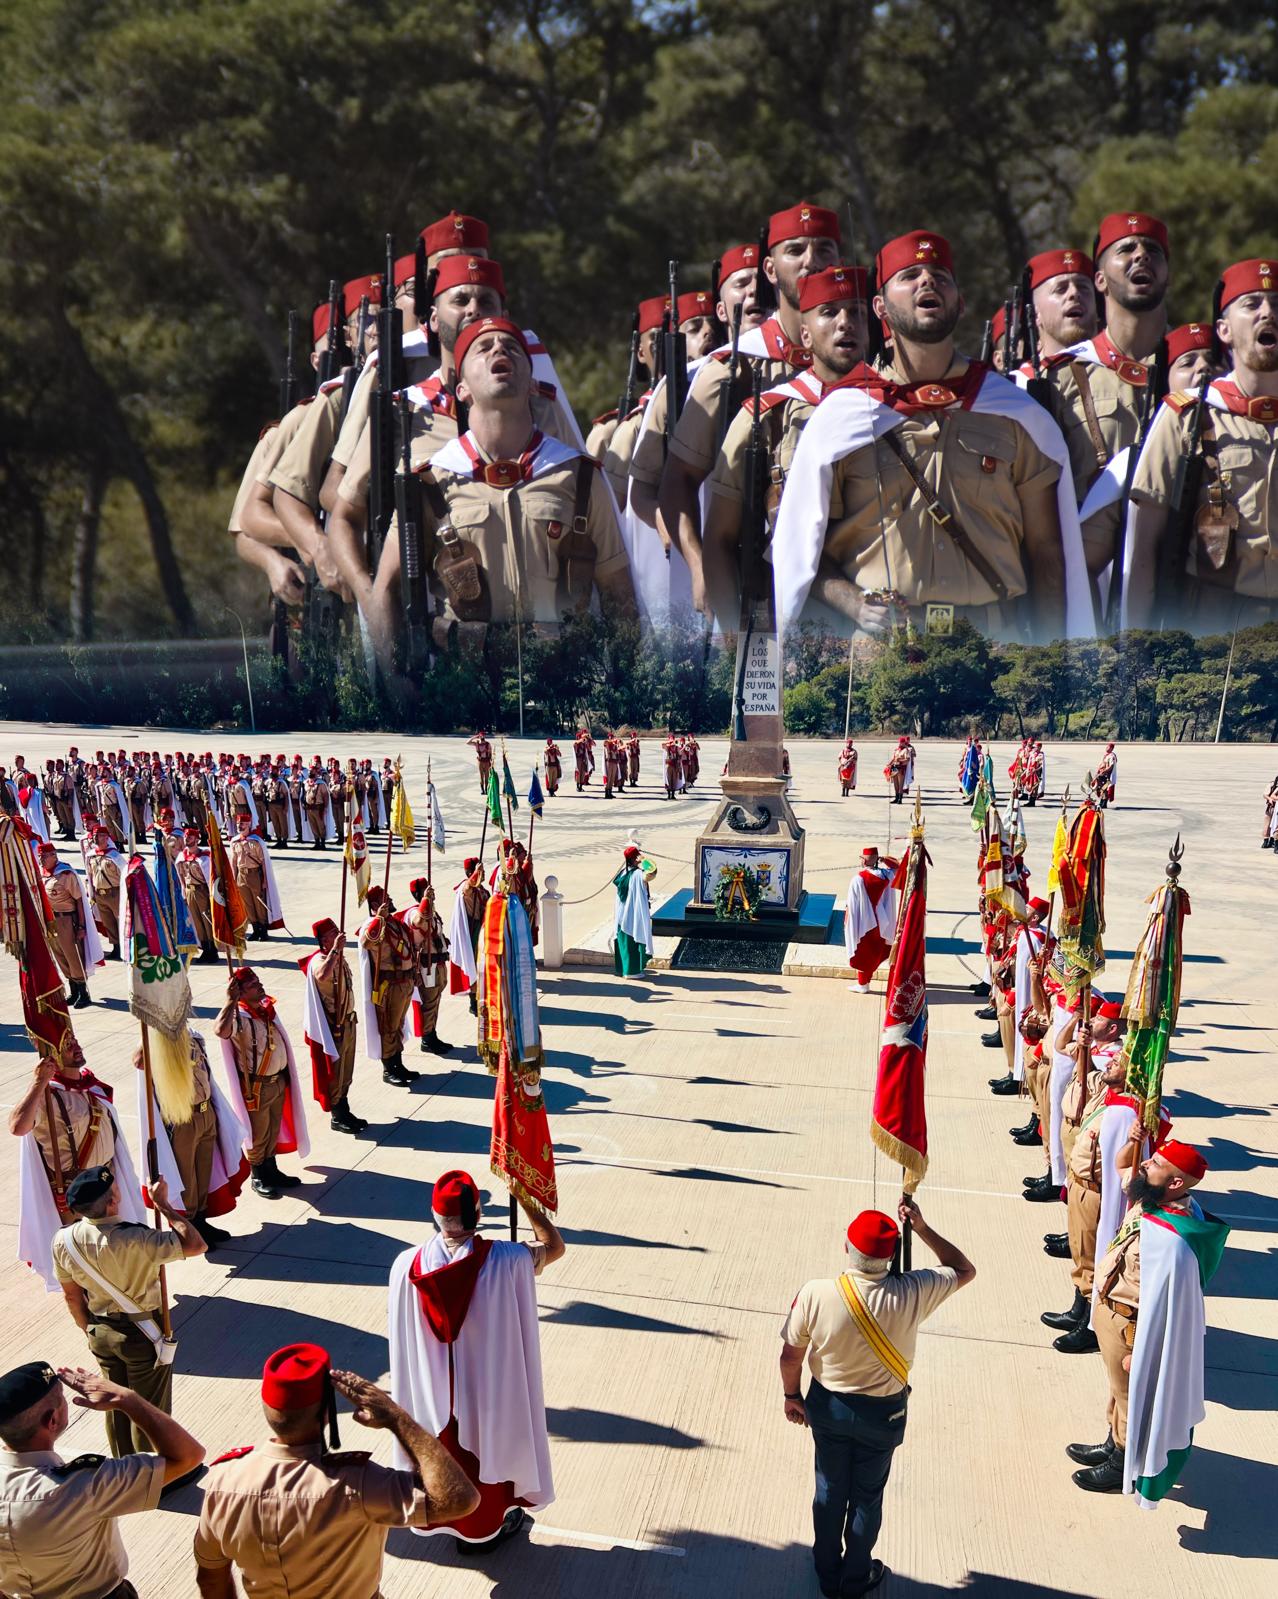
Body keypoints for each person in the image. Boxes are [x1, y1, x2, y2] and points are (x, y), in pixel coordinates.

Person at [773, 229, 1089, 643]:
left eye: (940, 276)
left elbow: (1047, 552)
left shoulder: (1015, 413)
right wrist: (850, 601)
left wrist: (1053, 659)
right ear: (880, 307)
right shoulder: (841, 417)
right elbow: (799, 550)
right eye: (910, 276)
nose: (927, 281)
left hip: (996, 648)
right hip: (884, 650)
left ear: (960, 302)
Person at [780, 1203, 975, 1598]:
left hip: (829, 1409)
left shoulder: (815, 1293)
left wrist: (792, 1395)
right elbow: (963, 1269)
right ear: (890, 1255)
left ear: (846, 1248)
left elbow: (790, 1357)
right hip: (883, 1416)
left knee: (829, 1490)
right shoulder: (914, 1290)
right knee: (867, 1499)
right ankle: (856, 1579)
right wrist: (921, 1227)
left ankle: (826, 1571)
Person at [193, 1344, 479, 1598]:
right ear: (327, 1412)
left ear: (266, 1406)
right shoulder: (358, 1485)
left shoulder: (222, 1482)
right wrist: (396, 1418)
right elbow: (460, 1499)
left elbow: (210, 1578)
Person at [388, 1170, 563, 1548]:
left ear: (435, 1215)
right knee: (489, 1457)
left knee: (446, 1457)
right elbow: (554, 1246)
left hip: (433, 1398)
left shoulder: (405, 1265)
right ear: (479, 1214)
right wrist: (524, 1197)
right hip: (488, 1396)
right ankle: (486, 1532)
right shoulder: (508, 1259)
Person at [703, 262, 870, 629]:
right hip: (798, 632)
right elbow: (719, 539)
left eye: (857, 312)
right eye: (829, 312)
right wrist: (733, 640)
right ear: (805, 335)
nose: (846, 323)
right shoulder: (768, 416)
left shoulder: (896, 411)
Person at [1126, 259, 1278, 632]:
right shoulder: (1188, 415)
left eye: (1277, 303)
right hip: (1214, 629)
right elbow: (1144, 548)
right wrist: (1135, 648)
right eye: (1252, 304)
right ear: (1224, 330)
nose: (1268, 313)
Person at [1070, 1140, 1228, 1495]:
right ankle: (1112, 1442)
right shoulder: (1151, 1197)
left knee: (1130, 1398)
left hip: (1130, 1327)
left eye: (1154, 1163)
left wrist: (1140, 1349)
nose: (1144, 1165)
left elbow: (1168, 1306)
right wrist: (1133, 1138)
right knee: (1116, 1391)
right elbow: (1121, 1167)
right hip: (1111, 1312)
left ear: (1176, 1183)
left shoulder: (1174, 1240)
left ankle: (1121, 1464)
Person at [0, 1361, 205, 1599]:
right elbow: (188, 1456)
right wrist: (126, 1399)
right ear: (52, 1421)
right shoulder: (86, 1486)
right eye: (62, 1399)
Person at [1045, 211, 1170, 581]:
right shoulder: (1061, 378)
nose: (1141, 255)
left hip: (1179, 580)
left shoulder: (1196, 372)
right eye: (1126, 249)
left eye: (1153, 251)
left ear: (1167, 273)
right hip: (1089, 578)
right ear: (1099, 279)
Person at [51, 1166, 205, 1456]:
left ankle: (123, 1466)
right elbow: (196, 1245)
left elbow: (72, 1297)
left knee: (115, 1405)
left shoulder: (63, 1240)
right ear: (112, 1202)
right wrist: (163, 1205)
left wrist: (90, 1330)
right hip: (141, 1333)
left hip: (100, 1330)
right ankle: (151, 1472)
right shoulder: (137, 1237)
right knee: (148, 1411)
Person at [135, 1026, 247, 1251]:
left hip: (206, 1112)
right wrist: (154, 1025)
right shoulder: (159, 1041)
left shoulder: (193, 1036)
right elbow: (138, 1061)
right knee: (187, 1179)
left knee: (204, 1173)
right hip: (182, 1119)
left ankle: (201, 1222)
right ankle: (190, 1229)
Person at [214, 967, 310, 1200]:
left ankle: (271, 1171)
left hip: (278, 1081)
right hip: (257, 1088)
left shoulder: (265, 1009)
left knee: (273, 1130)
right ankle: (258, 1176)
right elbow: (220, 1031)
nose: (260, 986)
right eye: (252, 985)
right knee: (258, 1134)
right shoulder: (238, 1016)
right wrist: (230, 1001)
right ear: (240, 993)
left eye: (258, 981)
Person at [299, 917, 366, 1136]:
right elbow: (322, 975)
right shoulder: (319, 960)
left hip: (348, 1021)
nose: (339, 935)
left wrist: (337, 951)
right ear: (323, 940)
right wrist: (335, 951)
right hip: (334, 1026)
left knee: (347, 1071)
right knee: (336, 1073)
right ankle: (338, 1116)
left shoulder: (337, 956)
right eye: (333, 933)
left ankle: (345, 1109)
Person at [357, 886, 421, 1089]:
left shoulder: (395, 923)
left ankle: (398, 1064)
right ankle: (388, 1069)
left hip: (404, 982)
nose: (391, 899)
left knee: (398, 1026)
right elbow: (367, 942)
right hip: (389, 986)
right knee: (388, 1028)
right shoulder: (372, 925)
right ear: (376, 904)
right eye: (386, 898)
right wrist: (379, 919)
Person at [37, 841, 98, 1009]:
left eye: (43, 857)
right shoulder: (42, 874)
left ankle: (84, 993)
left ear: (53, 856)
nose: (41, 860)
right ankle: (74, 990)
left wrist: (81, 926)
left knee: (73, 956)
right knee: (60, 955)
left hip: (67, 920)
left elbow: (79, 900)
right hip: (51, 920)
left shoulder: (65, 874)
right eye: (39, 856)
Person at [844, 846, 898, 993]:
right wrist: (884, 859)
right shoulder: (886, 875)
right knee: (874, 952)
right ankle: (865, 983)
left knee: (863, 952)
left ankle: (863, 985)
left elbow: (852, 904)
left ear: (864, 860)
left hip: (865, 921)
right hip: (881, 919)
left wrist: (848, 920)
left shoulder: (859, 879)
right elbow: (897, 867)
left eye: (862, 858)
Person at [229, 813, 281, 941]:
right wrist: (233, 879)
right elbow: (234, 862)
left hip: (254, 874)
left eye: (242, 824)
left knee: (259, 903)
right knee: (247, 904)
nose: (239, 826)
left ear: (248, 825)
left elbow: (263, 862)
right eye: (238, 823)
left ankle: (263, 930)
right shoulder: (234, 841)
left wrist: (265, 880)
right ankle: (255, 929)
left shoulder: (256, 841)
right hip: (241, 875)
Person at [613, 844, 656, 975]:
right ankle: (633, 972)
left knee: (624, 941)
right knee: (634, 939)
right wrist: (644, 860)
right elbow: (652, 872)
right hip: (633, 913)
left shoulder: (623, 873)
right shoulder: (638, 875)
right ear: (635, 858)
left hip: (622, 912)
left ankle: (624, 970)